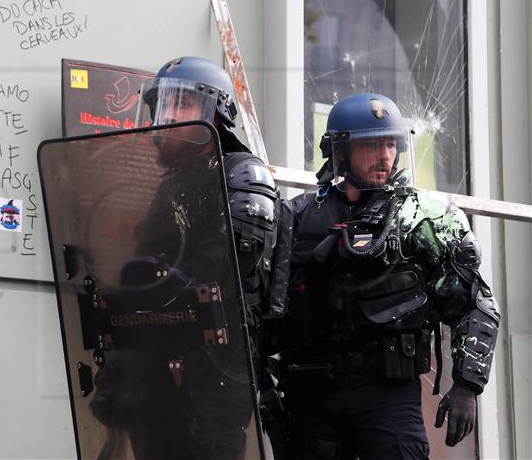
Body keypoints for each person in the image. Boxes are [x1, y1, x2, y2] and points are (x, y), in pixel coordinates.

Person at [277, 92, 500, 459]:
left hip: (387, 397)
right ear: (340, 151)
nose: (385, 156)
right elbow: (261, 305)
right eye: (371, 145)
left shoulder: (425, 218)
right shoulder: (297, 217)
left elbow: (475, 305)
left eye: (391, 144)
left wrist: (466, 386)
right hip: (311, 396)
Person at [87, 56, 290, 459]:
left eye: (183, 104)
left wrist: (162, 280)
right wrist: (118, 367)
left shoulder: (243, 175)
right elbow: (141, 277)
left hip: (215, 370)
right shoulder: (171, 187)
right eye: (164, 105)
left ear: (217, 114)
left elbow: (229, 268)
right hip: (158, 371)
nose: (170, 117)